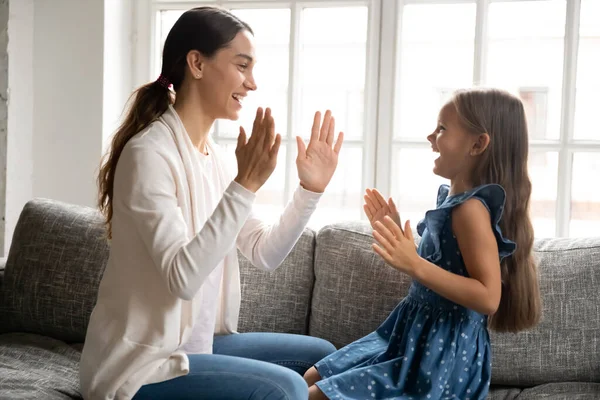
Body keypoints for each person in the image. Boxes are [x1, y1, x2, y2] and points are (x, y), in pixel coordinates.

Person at [80, 6, 344, 400]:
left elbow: (264, 251)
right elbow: (183, 278)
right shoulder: (149, 154)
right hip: (141, 369)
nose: (252, 83)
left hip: (195, 348)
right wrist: (245, 184)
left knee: (325, 358)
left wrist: (310, 190)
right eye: (242, 66)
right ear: (197, 64)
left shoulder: (215, 159)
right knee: (286, 385)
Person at [304, 87, 542, 399]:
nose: (431, 137)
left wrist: (414, 263)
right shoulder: (455, 202)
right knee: (312, 376)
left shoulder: (470, 210)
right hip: (409, 336)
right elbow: (444, 271)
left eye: (442, 129)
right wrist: (397, 240)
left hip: (439, 357)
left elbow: (487, 297)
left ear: (478, 144)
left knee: (315, 393)